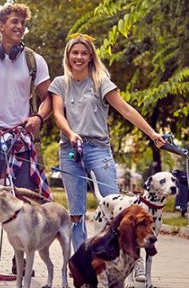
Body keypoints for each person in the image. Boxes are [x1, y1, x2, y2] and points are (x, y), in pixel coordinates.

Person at [49, 33, 166, 253]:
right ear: (68, 56)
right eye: (75, 53)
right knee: (76, 213)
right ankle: (82, 264)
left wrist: (152, 134)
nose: (79, 57)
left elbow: (126, 109)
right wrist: (71, 134)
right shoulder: (60, 83)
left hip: (98, 150)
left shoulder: (100, 81)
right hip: (70, 150)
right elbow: (57, 114)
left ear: (91, 57)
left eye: (84, 53)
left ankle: (125, 259)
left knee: (117, 209)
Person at [0, 3, 52, 276]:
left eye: (22, 24)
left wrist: (38, 118)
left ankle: (21, 261)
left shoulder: (34, 60)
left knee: (24, 201)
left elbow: (48, 99)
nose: (19, 27)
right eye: (13, 22)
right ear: (1, 26)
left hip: (21, 140)